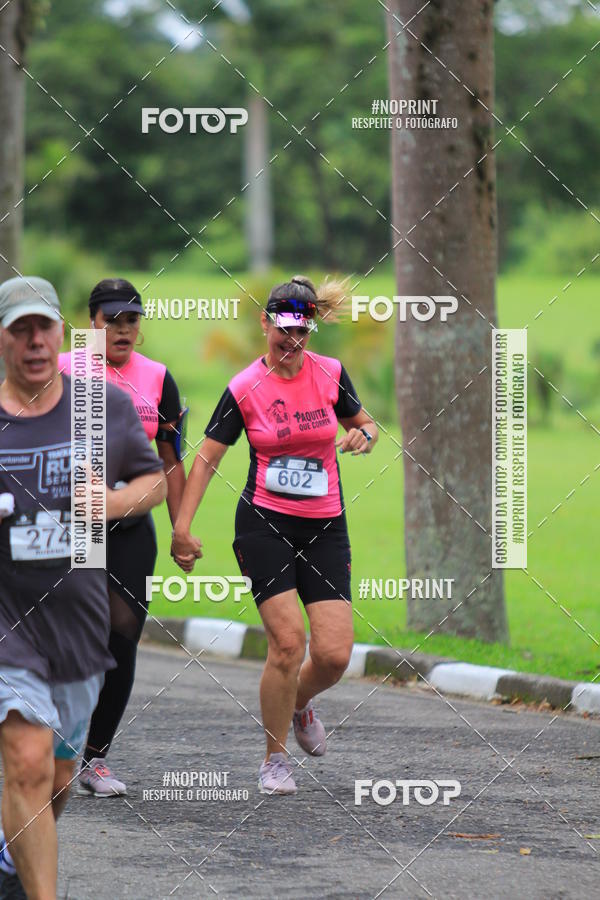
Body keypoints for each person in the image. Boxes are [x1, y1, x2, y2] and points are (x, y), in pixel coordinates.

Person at [171, 275, 378, 795]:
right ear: (265, 324)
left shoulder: (330, 374)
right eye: (283, 330)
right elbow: (207, 459)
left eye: (301, 332)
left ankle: (300, 702)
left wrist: (363, 436)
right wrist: (181, 527)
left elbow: (367, 424)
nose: (292, 341)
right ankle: (274, 759)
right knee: (288, 643)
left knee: (333, 654)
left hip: (326, 524)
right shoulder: (244, 387)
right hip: (264, 523)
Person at [0, 276, 166, 899]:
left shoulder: (103, 408)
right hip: (7, 619)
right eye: (19, 329)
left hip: (76, 620)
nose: (34, 341)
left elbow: (153, 483)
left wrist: (112, 501)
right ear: (3, 340)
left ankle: (12, 861)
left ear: (61, 334)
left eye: (42, 327)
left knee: (60, 775)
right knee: (25, 763)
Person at [58, 278, 186, 797]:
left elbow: (171, 460)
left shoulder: (157, 378)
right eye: (113, 319)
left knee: (123, 633)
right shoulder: (64, 368)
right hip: (69, 523)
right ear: (92, 322)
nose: (123, 329)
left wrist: (181, 529)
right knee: (61, 633)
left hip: (132, 527)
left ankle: (94, 758)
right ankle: (47, 741)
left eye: (132, 319)